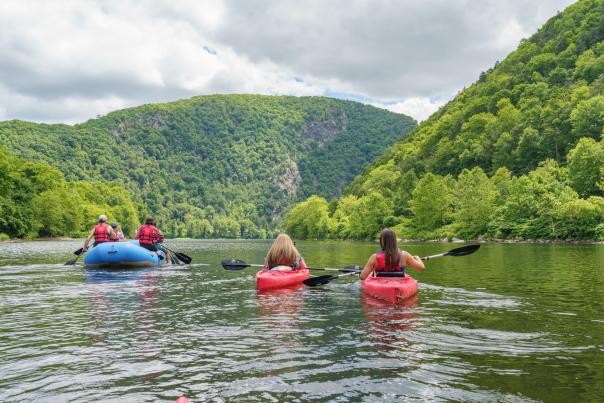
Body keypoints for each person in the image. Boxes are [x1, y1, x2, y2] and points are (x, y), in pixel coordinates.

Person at [359, 228, 425, 280]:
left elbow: (362, 277)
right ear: (394, 240)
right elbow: (422, 268)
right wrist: (417, 257)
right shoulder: (405, 255)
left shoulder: (374, 257)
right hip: (399, 284)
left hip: (381, 285)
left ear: (382, 241)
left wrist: (372, 268)